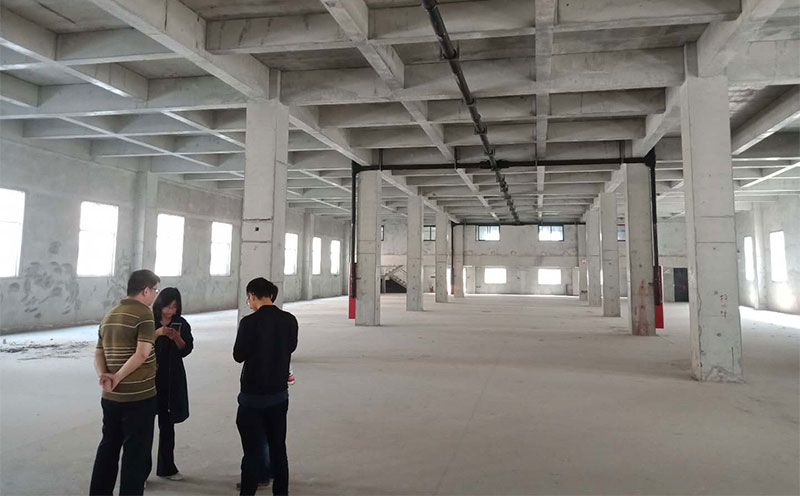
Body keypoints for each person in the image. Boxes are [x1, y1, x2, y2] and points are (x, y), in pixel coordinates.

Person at [90, 270, 160, 496]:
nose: (155, 295)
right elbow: (142, 353)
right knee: (135, 456)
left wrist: (104, 376)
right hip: (138, 397)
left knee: (108, 447)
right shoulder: (144, 314)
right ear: (146, 290)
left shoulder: (110, 314)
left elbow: (98, 352)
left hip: (110, 397)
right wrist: (118, 377)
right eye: (155, 290)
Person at [234, 278, 298, 495]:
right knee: (278, 450)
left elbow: (238, 355)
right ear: (271, 295)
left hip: (252, 397)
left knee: (252, 452)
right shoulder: (289, 320)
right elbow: (291, 347)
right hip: (278, 395)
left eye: (249, 299)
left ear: (252, 296)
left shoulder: (248, 322)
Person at [152, 288, 194, 481]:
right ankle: (138, 474)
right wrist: (158, 333)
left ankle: (167, 468)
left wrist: (177, 337)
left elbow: (186, 350)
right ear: (160, 304)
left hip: (171, 379)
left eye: (174, 307)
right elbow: (137, 344)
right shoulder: (149, 322)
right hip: (148, 380)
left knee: (167, 427)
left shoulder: (181, 324)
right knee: (143, 429)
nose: (170, 311)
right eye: (167, 306)